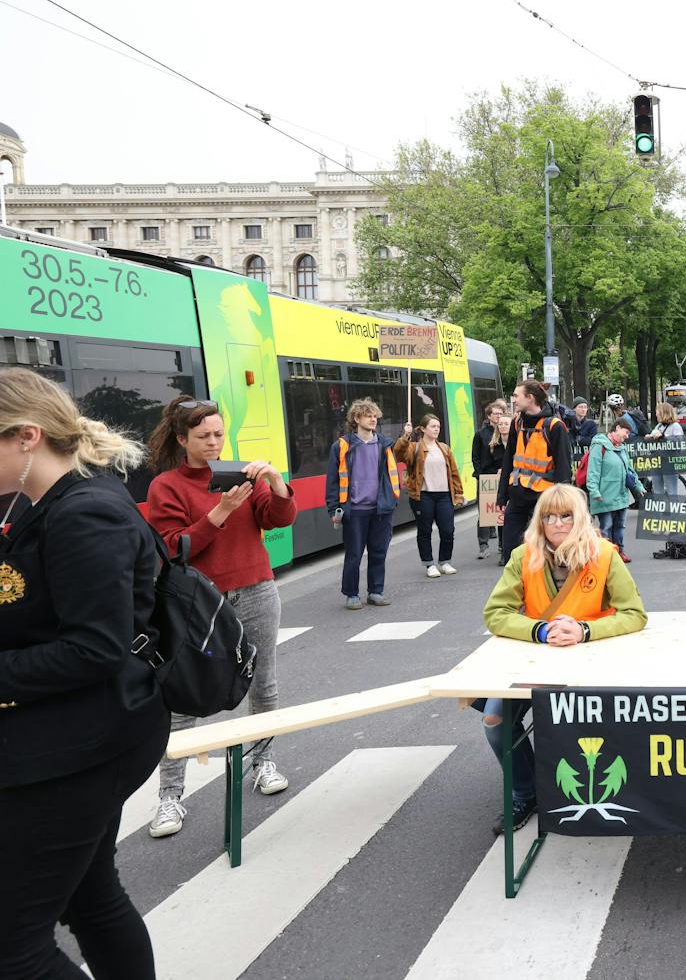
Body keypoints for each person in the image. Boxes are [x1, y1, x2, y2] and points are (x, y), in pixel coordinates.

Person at [0, 368, 169, 978]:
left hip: (85, 742)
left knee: (14, 951)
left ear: (26, 437)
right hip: (78, 733)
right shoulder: (50, 503)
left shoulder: (83, 513)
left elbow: (92, 650)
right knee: (89, 897)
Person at [143, 396, 298, 838]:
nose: (213, 443)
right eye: (202, 436)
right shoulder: (167, 486)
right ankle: (171, 795)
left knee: (263, 682)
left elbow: (277, 516)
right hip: (196, 602)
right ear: (181, 439)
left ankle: (263, 761)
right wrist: (221, 511)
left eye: (218, 434)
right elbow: (173, 547)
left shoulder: (240, 472)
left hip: (256, 587)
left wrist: (274, 480)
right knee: (180, 694)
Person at [481, 484, 646, 832]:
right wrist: (539, 631)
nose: (557, 523)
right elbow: (496, 613)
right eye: (549, 516)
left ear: (580, 518)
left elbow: (633, 613)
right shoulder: (522, 556)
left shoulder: (604, 554)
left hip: (593, 660)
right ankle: (525, 792)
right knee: (495, 720)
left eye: (566, 516)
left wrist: (584, 631)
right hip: (538, 660)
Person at [325, 398, 401, 609]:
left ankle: (376, 591)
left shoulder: (385, 444)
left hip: (381, 509)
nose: (373, 419)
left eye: (375, 416)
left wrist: (391, 501)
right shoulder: (342, 446)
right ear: (356, 418)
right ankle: (351, 594)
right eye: (368, 415)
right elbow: (332, 479)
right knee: (354, 555)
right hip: (355, 510)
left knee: (379, 552)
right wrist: (333, 508)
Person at [497, 381, 572, 565]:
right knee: (510, 550)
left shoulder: (555, 426)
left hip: (544, 498)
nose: (513, 400)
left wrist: (563, 503)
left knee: (546, 548)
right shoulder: (517, 423)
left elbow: (563, 468)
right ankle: (515, 584)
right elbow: (508, 461)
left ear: (530, 398)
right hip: (518, 495)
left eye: (516, 396)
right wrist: (501, 496)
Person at [394, 413, 466, 578]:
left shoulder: (445, 448)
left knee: (448, 530)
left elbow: (454, 473)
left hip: (444, 496)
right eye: (433, 426)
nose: (436, 429)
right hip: (423, 496)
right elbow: (398, 454)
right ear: (423, 429)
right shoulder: (414, 447)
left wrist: (459, 494)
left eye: (438, 427)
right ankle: (429, 564)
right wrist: (405, 436)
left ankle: (445, 561)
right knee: (425, 530)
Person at [586, 416, 636, 562]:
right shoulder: (599, 445)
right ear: (618, 428)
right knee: (606, 526)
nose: (627, 437)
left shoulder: (621, 448)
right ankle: (606, 555)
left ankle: (619, 551)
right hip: (605, 494)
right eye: (626, 433)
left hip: (621, 494)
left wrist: (638, 486)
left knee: (620, 525)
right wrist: (594, 491)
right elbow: (593, 470)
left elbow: (630, 470)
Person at [471, 399, 508, 559]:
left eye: (501, 413)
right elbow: (475, 457)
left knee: (501, 512)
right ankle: (483, 545)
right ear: (489, 416)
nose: (498, 416)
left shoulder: (505, 433)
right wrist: (481, 474)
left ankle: (501, 545)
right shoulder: (481, 434)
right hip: (486, 478)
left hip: (501, 477)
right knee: (485, 513)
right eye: (495, 414)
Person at [646, 401, 684, 499]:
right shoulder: (658, 426)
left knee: (671, 491)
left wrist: (663, 437)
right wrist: (649, 438)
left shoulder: (675, 426)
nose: (656, 414)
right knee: (657, 492)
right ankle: (658, 514)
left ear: (664, 413)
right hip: (657, 462)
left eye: (657, 412)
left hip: (669, 463)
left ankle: (674, 513)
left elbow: (679, 442)